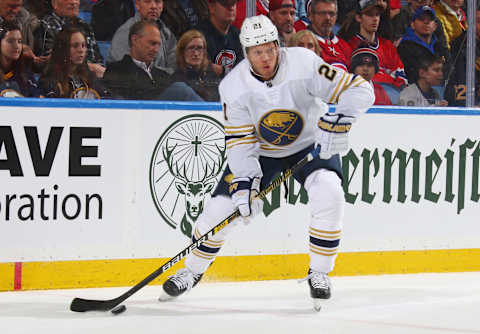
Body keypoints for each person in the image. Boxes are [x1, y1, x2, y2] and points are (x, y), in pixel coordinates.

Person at [159, 15, 374, 310]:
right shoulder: (233, 86)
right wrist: (246, 182)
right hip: (262, 151)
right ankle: (192, 270)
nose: (266, 57)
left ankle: (320, 272)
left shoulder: (305, 63)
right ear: (246, 53)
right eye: (257, 52)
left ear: (278, 45)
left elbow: (359, 89)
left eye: (270, 48)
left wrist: (341, 119)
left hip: (310, 143)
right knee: (221, 208)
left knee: (329, 192)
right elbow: (239, 140)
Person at [103, 20, 202, 101]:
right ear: (135, 40)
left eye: (158, 45)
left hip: (165, 120)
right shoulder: (116, 69)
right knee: (180, 89)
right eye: (152, 43)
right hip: (137, 119)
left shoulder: (162, 74)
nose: (156, 50)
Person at [341, 0, 407, 89]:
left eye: (377, 15)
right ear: (358, 18)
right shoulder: (348, 46)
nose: (375, 19)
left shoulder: (388, 46)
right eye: (370, 15)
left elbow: (401, 77)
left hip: (390, 96)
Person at [33, 0, 105, 78]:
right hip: (62, 80)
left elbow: (98, 60)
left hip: (92, 79)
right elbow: (50, 63)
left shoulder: (85, 26)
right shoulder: (46, 25)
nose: (74, 2)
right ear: (54, 3)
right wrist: (90, 68)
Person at [107, 0, 176, 74]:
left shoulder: (166, 32)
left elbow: (175, 64)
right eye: (147, 1)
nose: (153, 6)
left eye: (157, 2)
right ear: (137, 5)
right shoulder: (126, 32)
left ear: (162, 6)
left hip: (161, 81)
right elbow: (126, 69)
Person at [38, 26, 109, 98]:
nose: (81, 50)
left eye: (83, 45)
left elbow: (108, 99)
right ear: (63, 49)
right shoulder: (49, 81)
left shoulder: (89, 77)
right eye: (75, 46)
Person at [397, 6, 449, 84]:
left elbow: (450, 66)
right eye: (421, 19)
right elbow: (412, 74)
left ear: (435, 26)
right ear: (412, 25)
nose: (426, 22)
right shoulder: (404, 47)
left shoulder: (440, 46)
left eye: (430, 19)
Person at [299, 0, 352, 71]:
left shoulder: (345, 46)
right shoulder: (303, 42)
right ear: (311, 16)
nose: (327, 18)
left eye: (331, 13)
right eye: (322, 13)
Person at [443, 6, 480, 107]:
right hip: (465, 101)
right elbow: (460, 79)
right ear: (470, 24)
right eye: (478, 21)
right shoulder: (460, 45)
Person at [196, 0, 243, 77]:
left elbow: (244, 71)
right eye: (225, 4)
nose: (231, 8)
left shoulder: (239, 35)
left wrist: (222, 70)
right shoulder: (198, 37)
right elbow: (201, 70)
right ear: (211, 7)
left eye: (233, 4)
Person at [171, 29, 221, 101]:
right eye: (191, 48)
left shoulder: (212, 74)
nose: (196, 54)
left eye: (199, 48)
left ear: (204, 52)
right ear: (182, 52)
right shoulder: (177, 80)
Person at [0, 20, 40, 97]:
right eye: (10, 41)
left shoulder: (26, 75)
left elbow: (38, 102)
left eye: (19, 41)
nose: (16, 46)